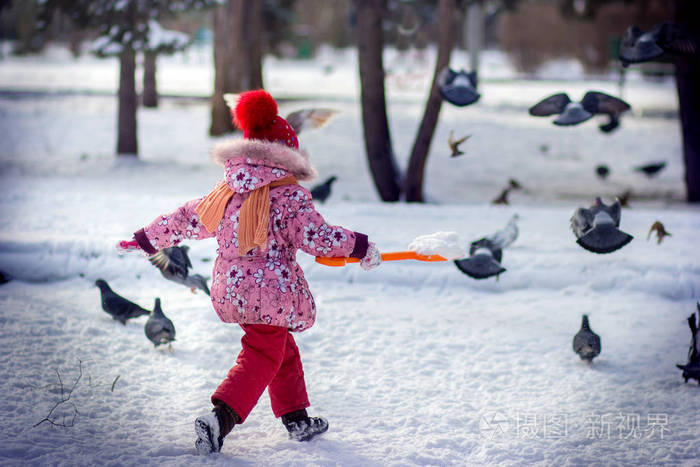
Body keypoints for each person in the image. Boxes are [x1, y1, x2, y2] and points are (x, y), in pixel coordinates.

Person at [117, 89, 381, 455]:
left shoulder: (226, 191)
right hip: (269, 293)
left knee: (280, 349)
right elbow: (317, 237)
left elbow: (186, 219)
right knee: (262, 353)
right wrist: (360, 246)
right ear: (289, 155)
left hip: (232, 288)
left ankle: (297, 418)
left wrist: (147, 239)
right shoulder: (288, 195)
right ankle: (220, 418)